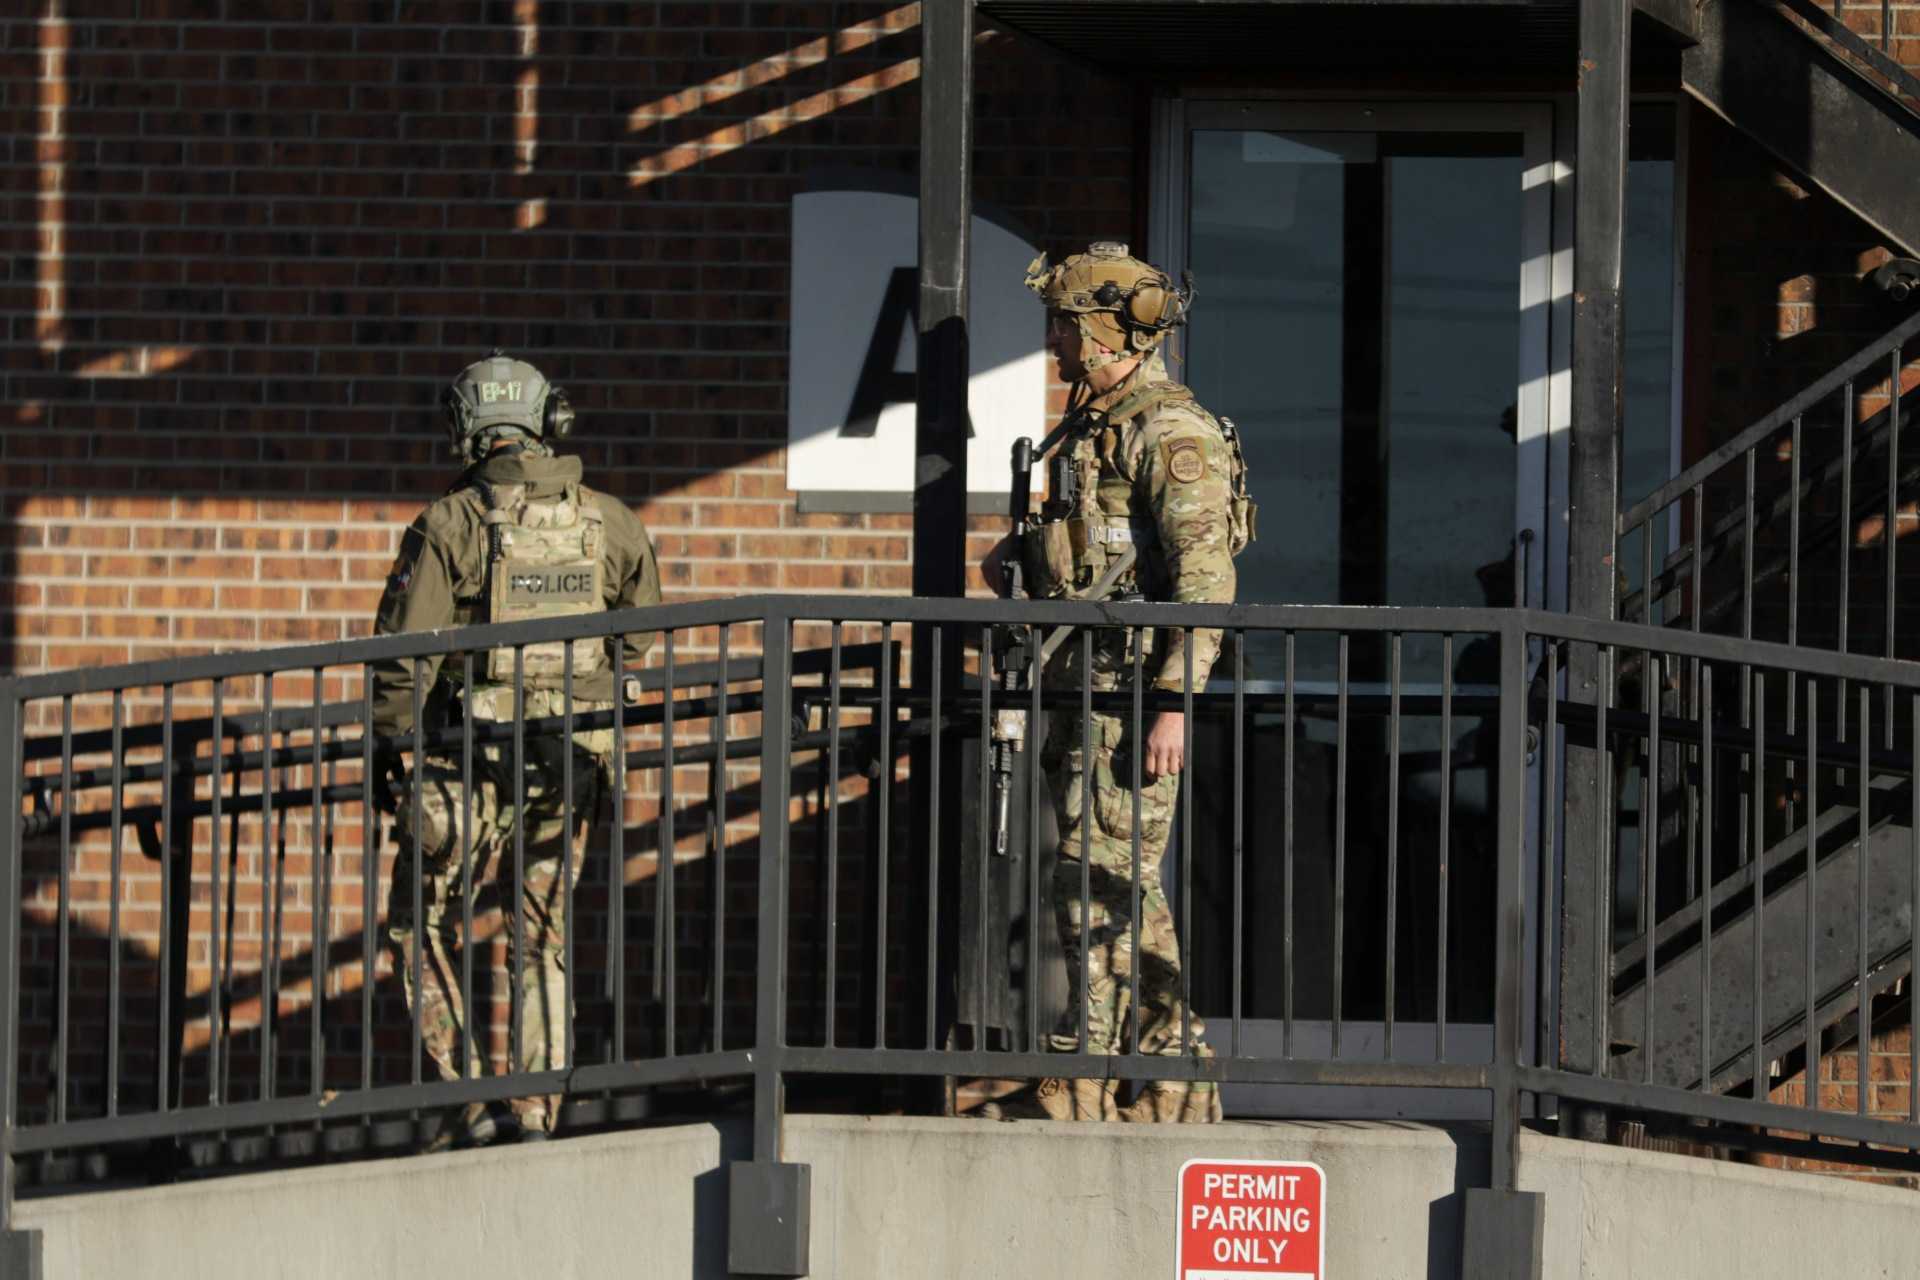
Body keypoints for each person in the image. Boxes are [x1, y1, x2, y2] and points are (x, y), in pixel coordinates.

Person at [370, 351, 661, 1147]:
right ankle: (536, 1106)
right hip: (570, 763)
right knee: (540, 931)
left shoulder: (450, 524)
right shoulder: (612, 523)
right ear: (548, 422)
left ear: (468, 430)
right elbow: (640, 637)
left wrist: (389, 747)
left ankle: (468, 1102)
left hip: (465, 763)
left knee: (416, 922)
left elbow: (402, 656)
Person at [996, 242, 1253, 1123]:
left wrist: (1175, 702)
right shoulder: (1099, 426)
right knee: (1120, 890)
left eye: (1063, 328)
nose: (1055, 346)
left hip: (1131, 700)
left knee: (1093, 885)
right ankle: (1179, 1087)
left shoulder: (1167, 433)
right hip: (1086, 695)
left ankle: (1086, 1079)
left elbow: (1205, 579)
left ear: (1104, 334)